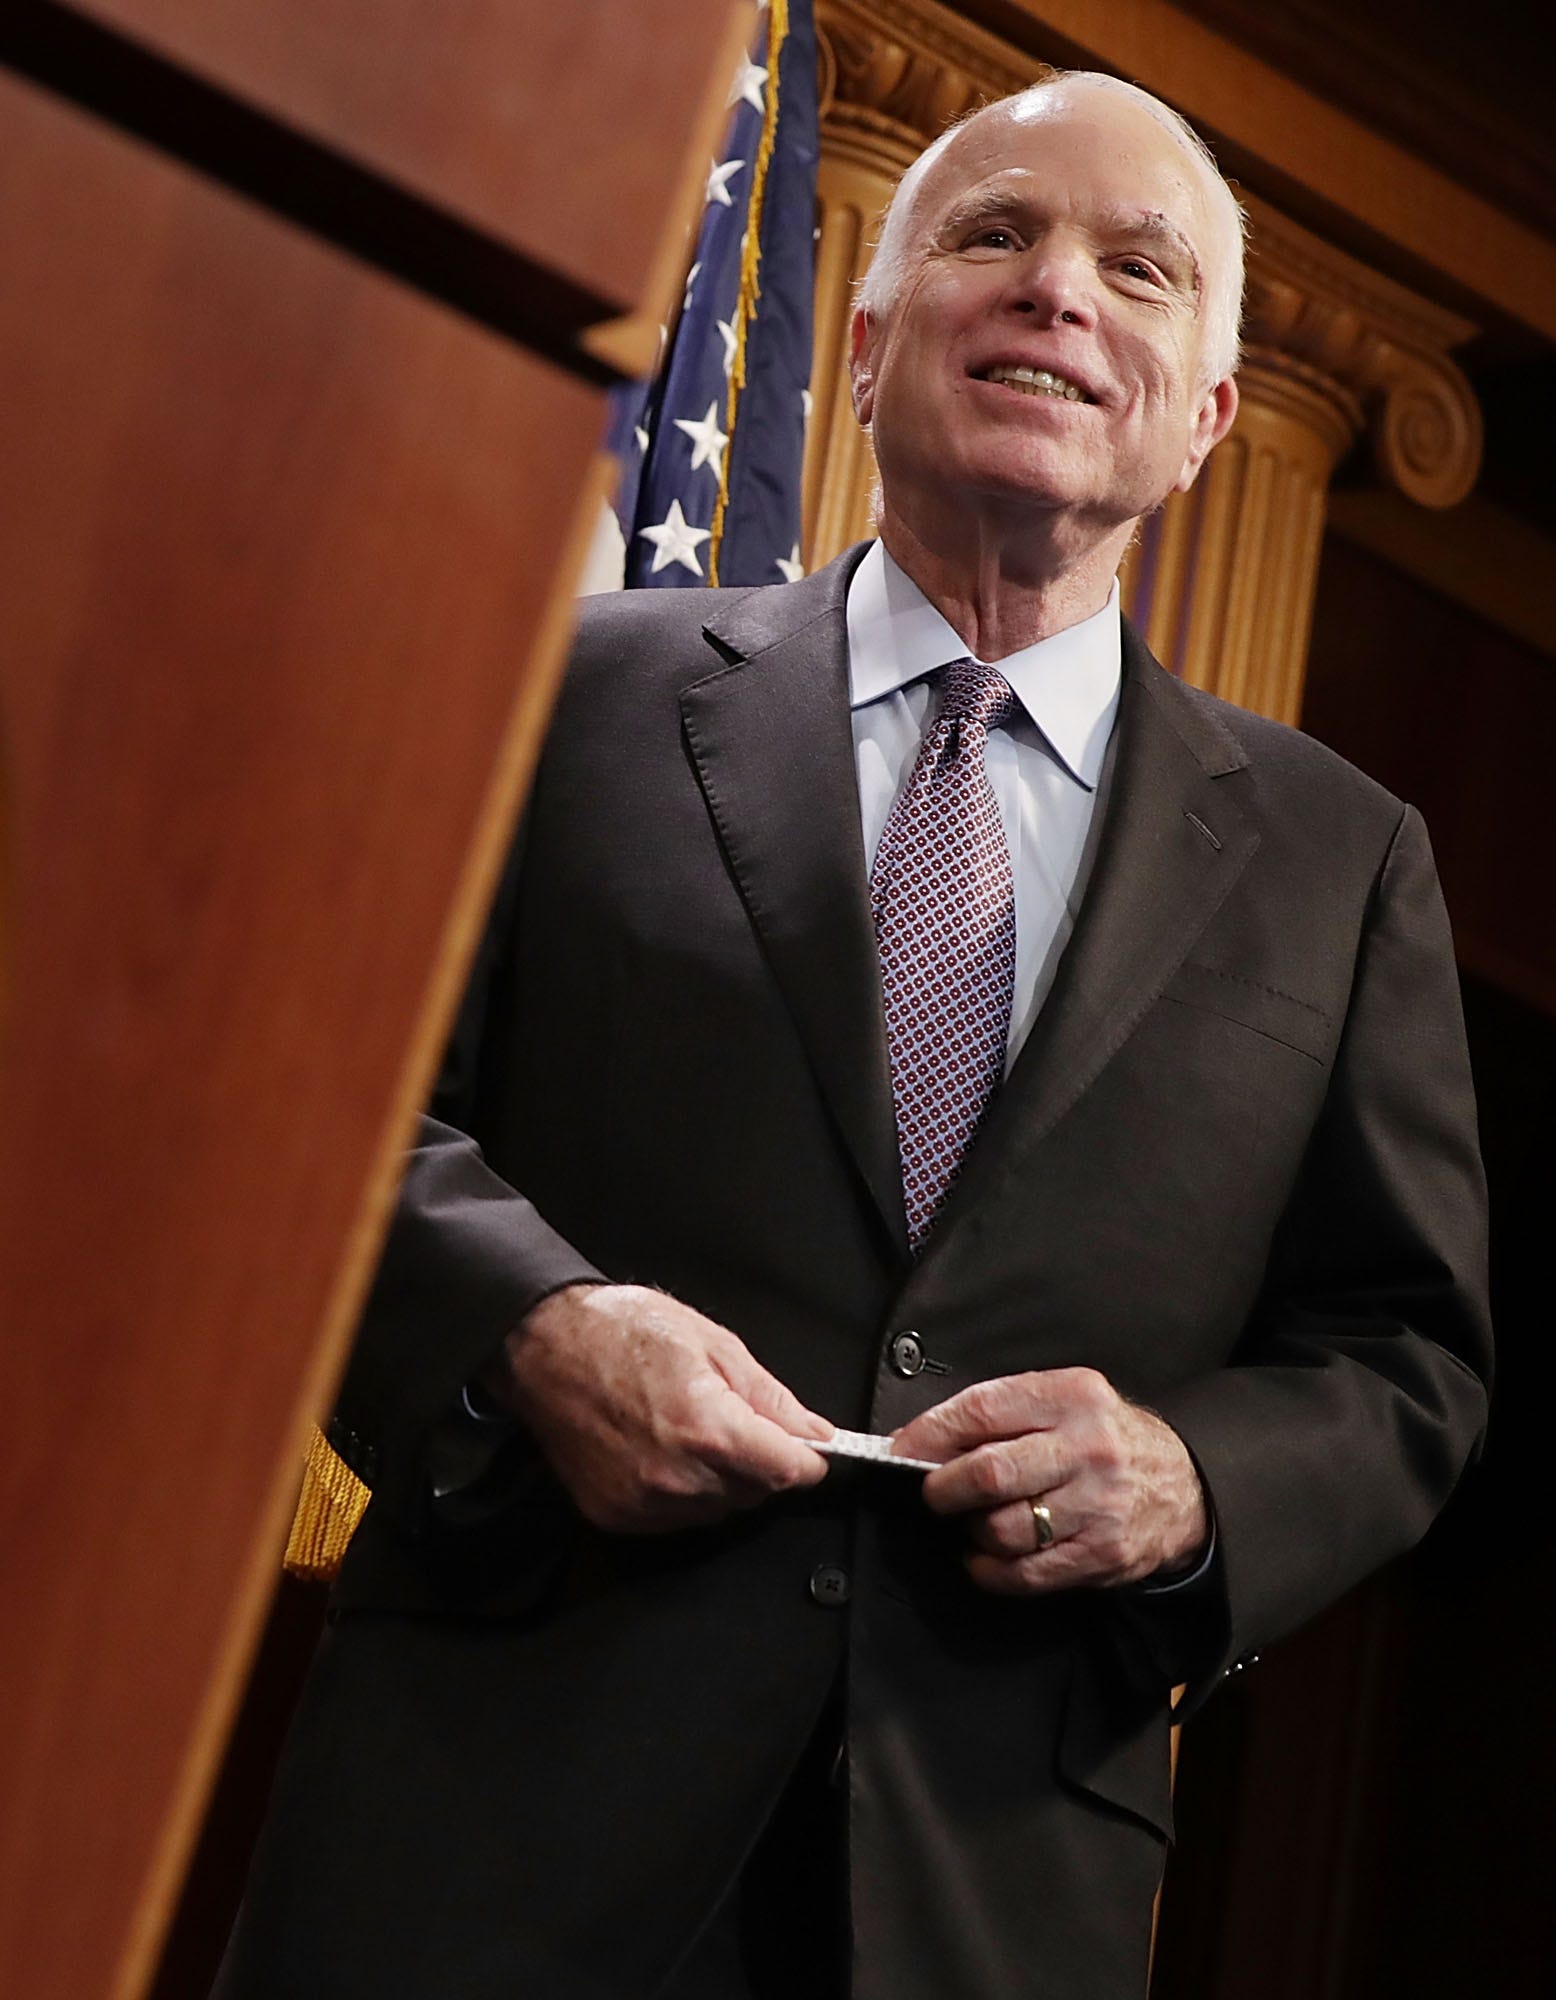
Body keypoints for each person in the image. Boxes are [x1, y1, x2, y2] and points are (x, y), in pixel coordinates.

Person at [217, 71, 1491, 2000]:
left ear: (1211, 418)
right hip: (486, 1836)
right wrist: (535, 1327)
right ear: (873, 345)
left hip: (981, 1896)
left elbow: (1404, 1358)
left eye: (1137, 269)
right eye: (995, 236)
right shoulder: (568, 694)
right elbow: (322, 1102)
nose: (1059, 291)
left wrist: (1192, 1480)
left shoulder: (1345, 860)